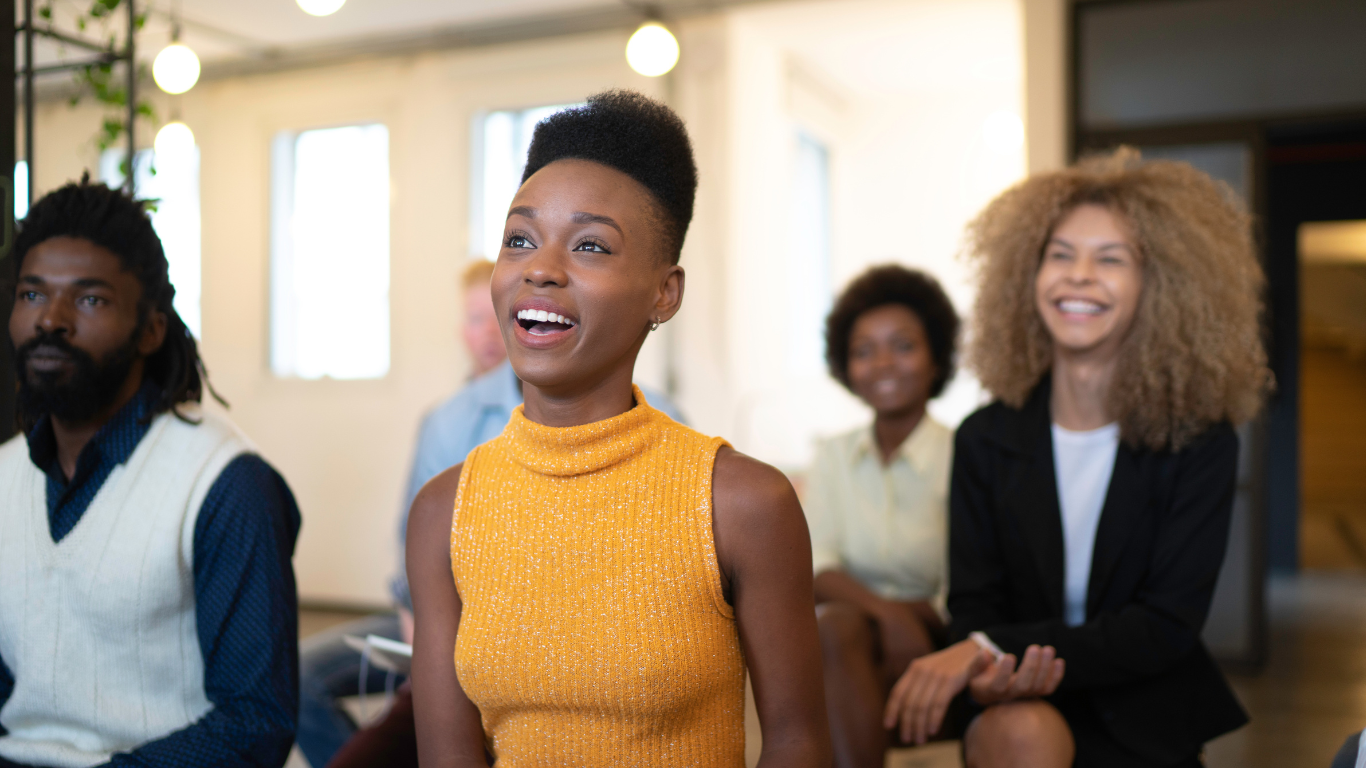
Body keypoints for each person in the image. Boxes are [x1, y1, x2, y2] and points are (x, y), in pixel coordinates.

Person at [407, 90, 831, 767]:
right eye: (519, 239)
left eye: (590, 246)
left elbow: (797, 743)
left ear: (665, 292)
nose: (540, 268)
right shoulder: (443, 513)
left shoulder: (743, 505)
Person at [883, 148, 1267, 767]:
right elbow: (975, 602)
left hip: (1143, 712)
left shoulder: (1200, 440)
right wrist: (987, 660)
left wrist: (986, 645)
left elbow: (1166, 624)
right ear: (1027, 277)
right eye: (1060, 255)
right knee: (1018, 734)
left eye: (1111, 259)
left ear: (1160, 286)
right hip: (1017, 704)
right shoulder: (985, 437)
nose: (1079, 275)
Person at [296, 259, 683, 768]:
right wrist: (431, 663)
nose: (488, 332)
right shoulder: (447, 422)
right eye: (475, 318)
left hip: (572, 636)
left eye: (494, 316)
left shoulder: (659, 421)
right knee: (302, 678)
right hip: (448, 626)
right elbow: (416, 570)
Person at [0, 178, 301, 768]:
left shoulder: (225, 484)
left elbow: (257, 720)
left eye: (90, 299)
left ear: (151, 329)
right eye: (33, 295)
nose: (51, 320)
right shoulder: (6, 475)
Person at [807, 265, 960, 768]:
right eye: (863, 350)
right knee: (834, 625)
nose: (883, 364)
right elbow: (816, 564)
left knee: (836, 631)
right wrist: (888, 614)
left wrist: (912, 619)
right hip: (853, 637)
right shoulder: (832, 455)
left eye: (903, 345)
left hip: (946, 637)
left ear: (936, 358)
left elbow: (967, 584)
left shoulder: (968, 455)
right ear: (846, 367)